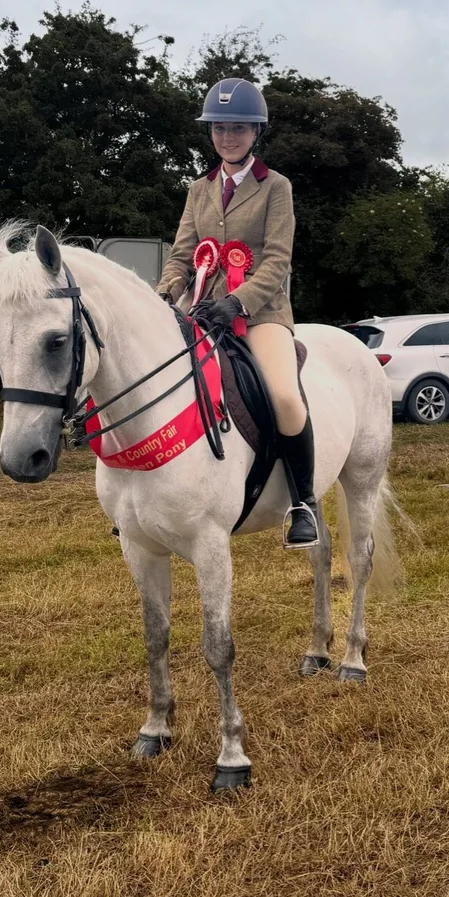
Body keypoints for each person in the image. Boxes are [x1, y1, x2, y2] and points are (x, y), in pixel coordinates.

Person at [156, 77, 318, 548]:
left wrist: (240, 301)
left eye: (239, 128)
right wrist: (165, 296)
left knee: (285, 396)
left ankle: (302, 502)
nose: (228, 136)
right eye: (220, 128)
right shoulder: (198, 189)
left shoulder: (276, 187)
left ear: (256, 132)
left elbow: (277, 259)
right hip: (203, 308)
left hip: (261, 311)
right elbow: (182, 255)